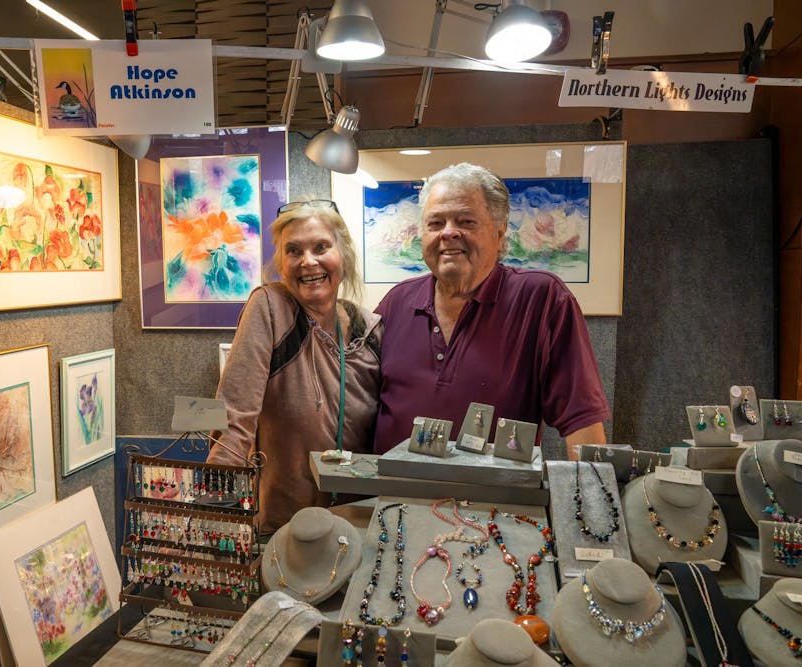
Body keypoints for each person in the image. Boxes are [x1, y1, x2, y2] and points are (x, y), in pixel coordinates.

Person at [373, 163, 609, 456]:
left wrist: (591, 497)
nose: (449, 233)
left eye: (466, 221)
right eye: (435, 223)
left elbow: (582, 423)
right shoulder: (395, 303)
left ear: (499, 234)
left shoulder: (543, 299)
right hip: (392, 497)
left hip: (495, 501)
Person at [207, 199, 382, 533]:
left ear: (342, 253)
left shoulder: (369, 329)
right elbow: (236, 411)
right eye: (294, 251)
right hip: (287, 530)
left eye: (320, 247)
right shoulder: (271, 308)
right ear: (281, 262)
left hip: (359, 524)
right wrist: (216, 502)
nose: (308, 261)